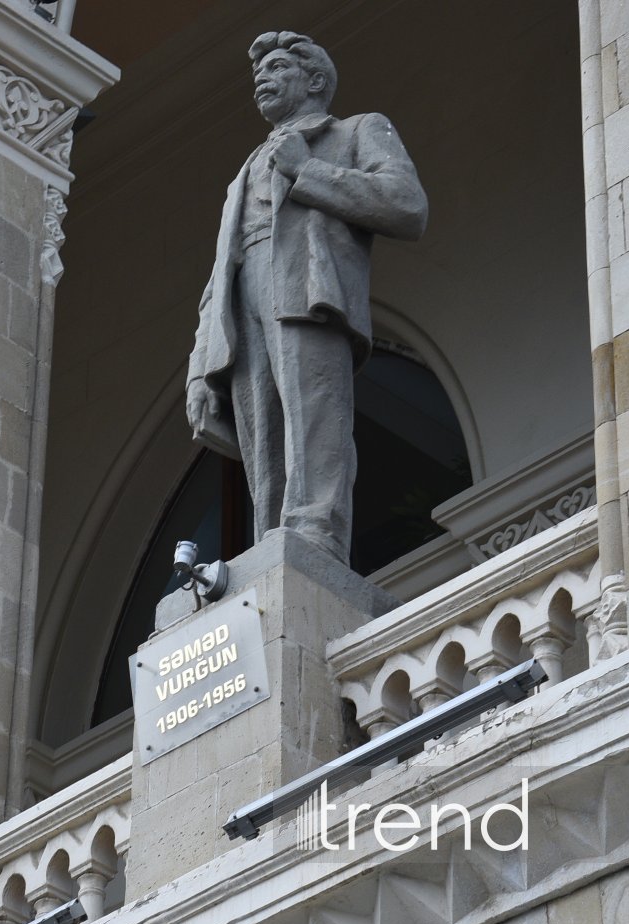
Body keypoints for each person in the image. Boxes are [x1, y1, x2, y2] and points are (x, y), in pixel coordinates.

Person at [186, 30, 427, 564]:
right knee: (262, 435)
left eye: (276, 69)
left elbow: (407, 205)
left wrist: (306, 169)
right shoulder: (245, 170)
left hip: (307, 287)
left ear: (315, 80)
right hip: (244, 294)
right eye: (258, 75)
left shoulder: (357, 130)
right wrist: (201, 367)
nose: (261, 82)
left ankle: (316, 533)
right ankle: (272, 544)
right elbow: (218, 276)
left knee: (315, 413)